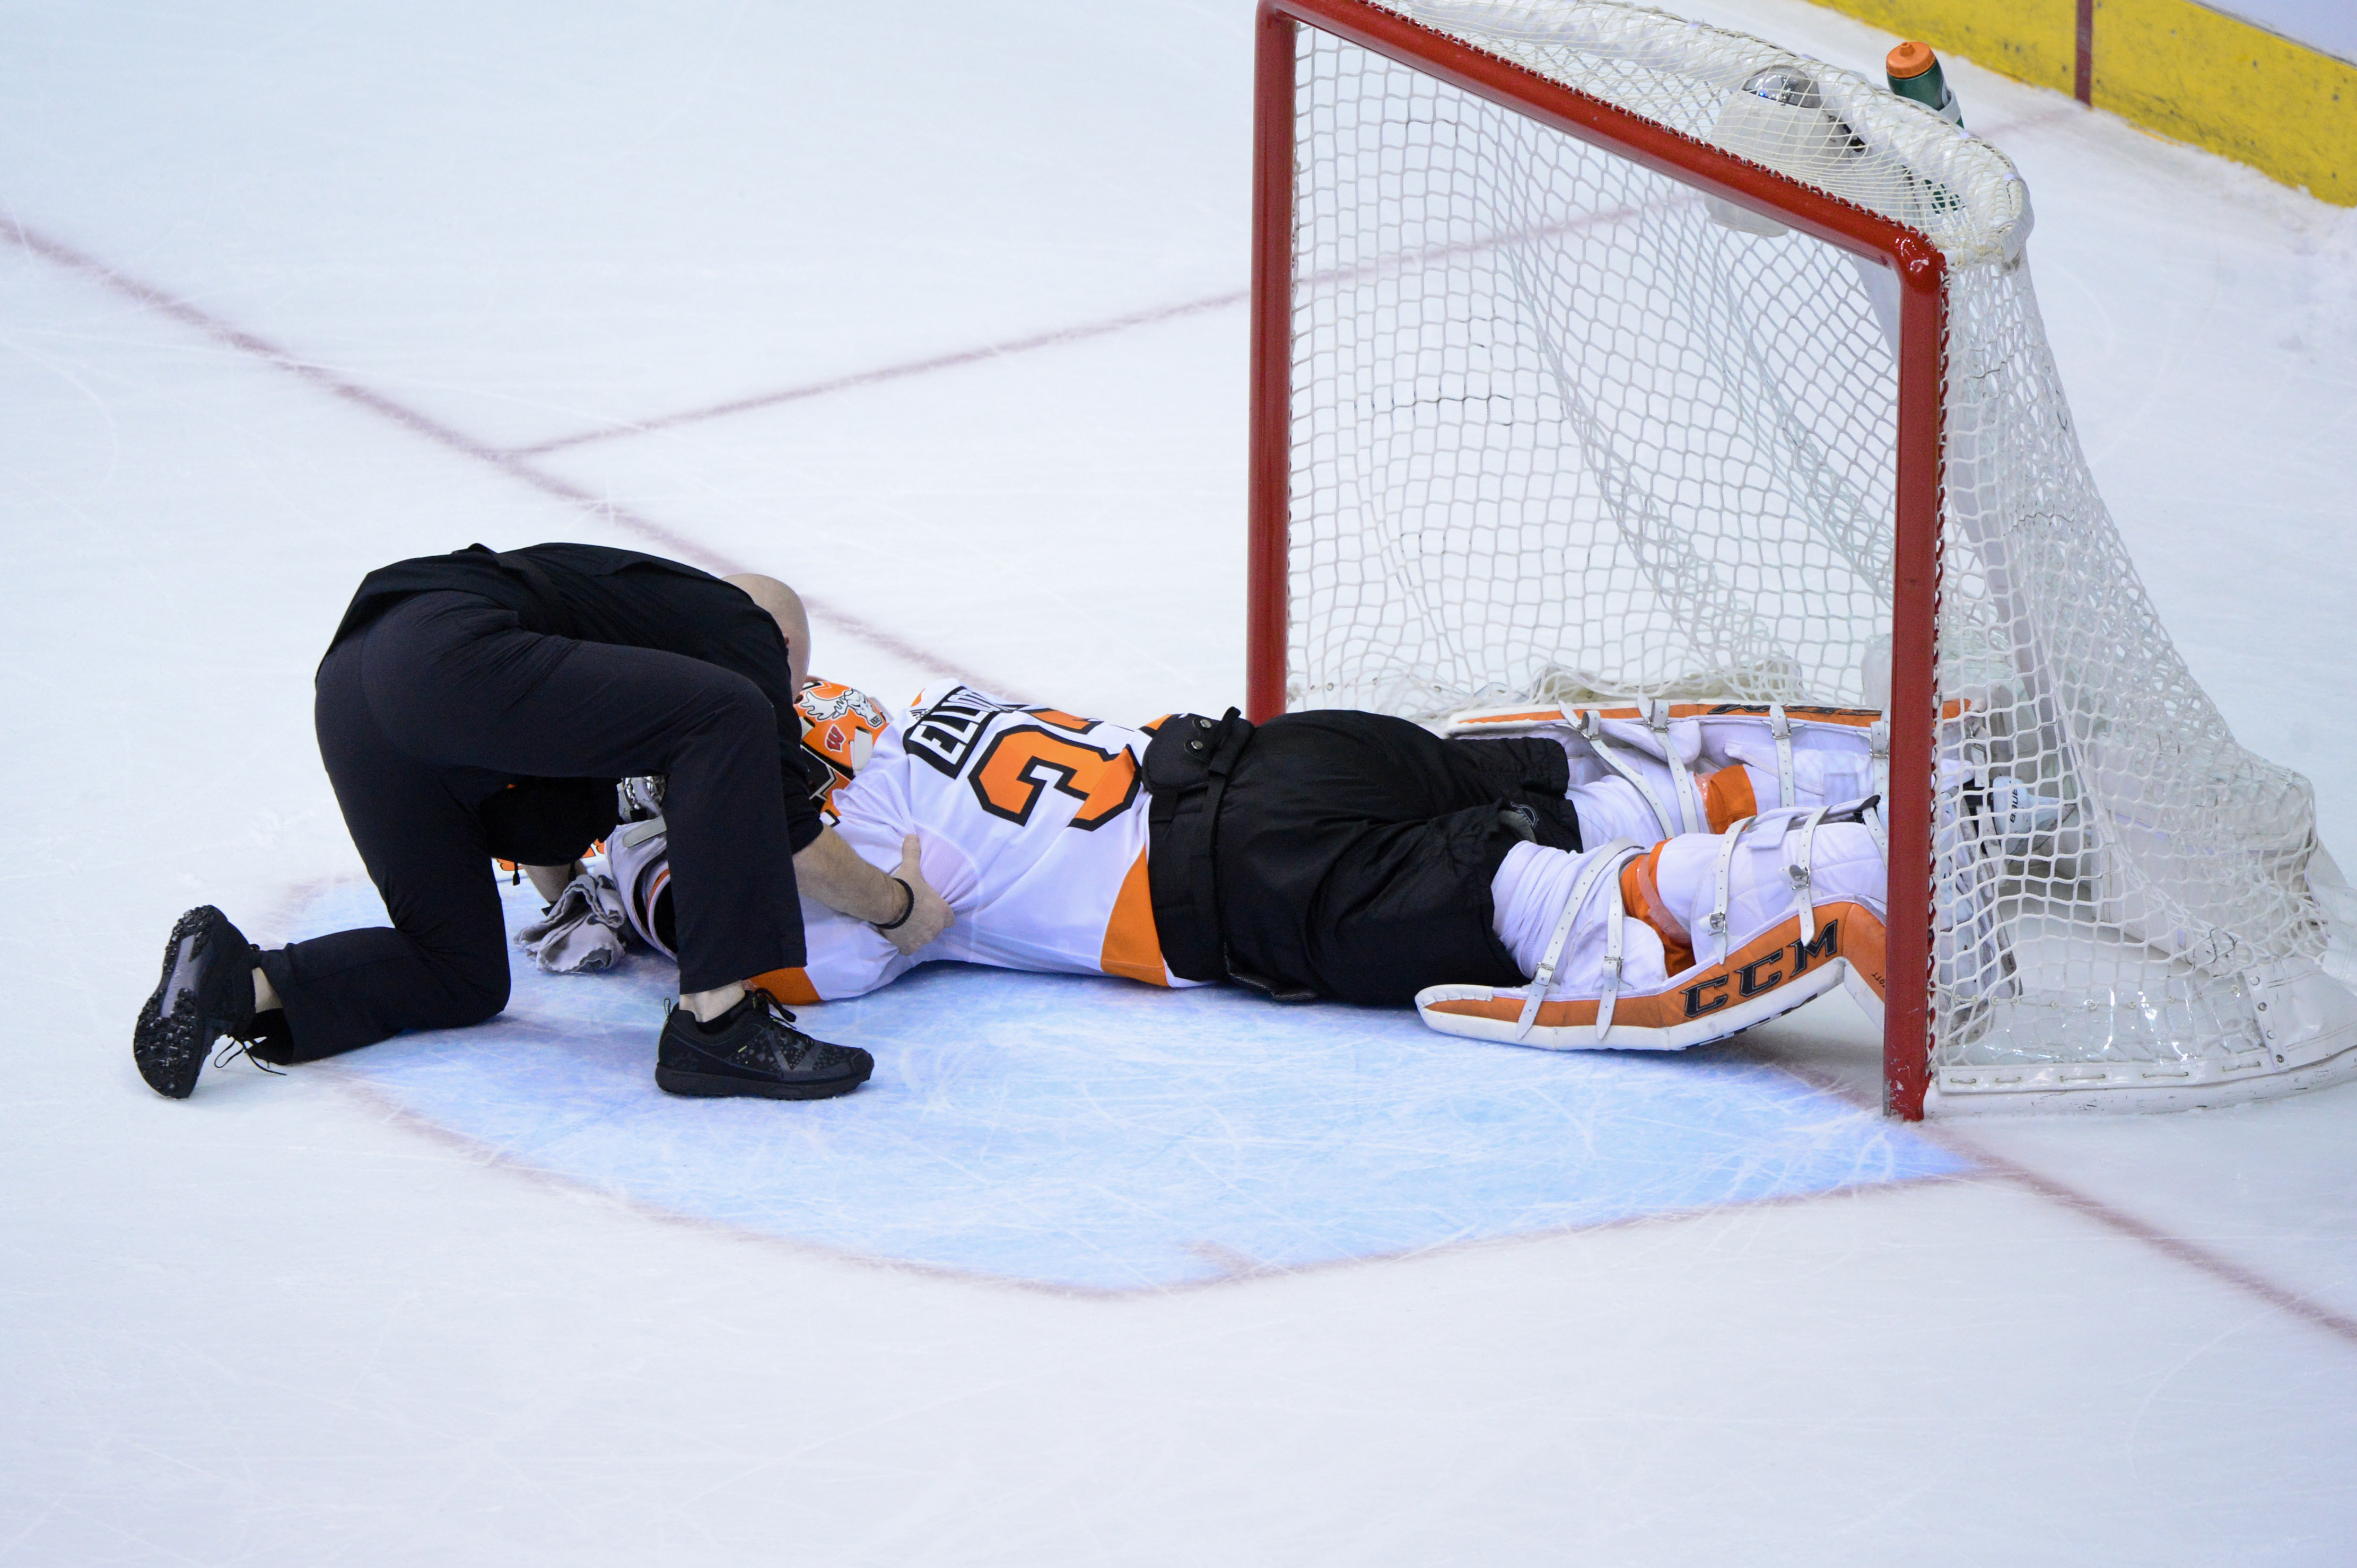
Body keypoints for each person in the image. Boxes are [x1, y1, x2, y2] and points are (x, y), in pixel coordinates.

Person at [607, 680, 1898, 1055]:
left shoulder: (844, 850)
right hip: (1280, 751)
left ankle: (1875, 862)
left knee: (1535, 897)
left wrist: (632, 879)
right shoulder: (869, 713)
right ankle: (1855, 779)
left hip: (1229, 881)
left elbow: (803, 943)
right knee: (1580, 808)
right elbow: (760, 628)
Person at [130, 543, 951, 1102]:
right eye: (794, 682)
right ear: (778, 639)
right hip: (441, 653)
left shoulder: (621, 628)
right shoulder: (738, 629)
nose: (793, 705)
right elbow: (776, 816)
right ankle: (719, 1023)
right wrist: (900, 907)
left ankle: (236, 979)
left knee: (460, 971)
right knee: (727, 715)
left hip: (354, 693)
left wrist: (574, 890)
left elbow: (551, 774)